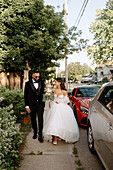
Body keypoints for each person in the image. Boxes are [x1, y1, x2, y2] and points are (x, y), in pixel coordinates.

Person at [43, 78, 79, 145]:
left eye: (56, 82)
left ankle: (60, 135)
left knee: (61, 122)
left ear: (59, 82)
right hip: (55, 107)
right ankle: (55, 138)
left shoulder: (64, 91)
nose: (54, 83)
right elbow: (51, 98)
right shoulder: (53, 90)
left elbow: (67, 100)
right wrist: (48, 97)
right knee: (54, 121)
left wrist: (59, 102)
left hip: (62, 107)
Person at [24, 70, 45, 143]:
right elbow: (25, 96)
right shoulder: (27, 84)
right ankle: (35, 132)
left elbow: (43, 93)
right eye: (36, 76)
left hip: (40, 104)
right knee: (33, 119)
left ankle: (40, 135)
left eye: (39, 76)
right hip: (31, 105)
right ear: (32, 75)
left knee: (40, 119)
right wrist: (27, 106)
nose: (38, 78)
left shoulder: (42, 82)